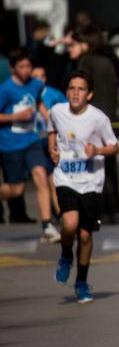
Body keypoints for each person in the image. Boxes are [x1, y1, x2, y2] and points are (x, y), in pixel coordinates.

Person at [48, 70, 119, 304]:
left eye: (80, 89)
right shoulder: (57, 111)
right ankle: (66, 255)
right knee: (69, 223)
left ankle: (81, 281)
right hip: (65, 178)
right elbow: (52, 130)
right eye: (71, 88)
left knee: (86, 235)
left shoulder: (98, 118)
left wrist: (97, 151)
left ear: (89, 94)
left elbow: (114, 146)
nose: (75, 93)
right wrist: (52, 148)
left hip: (91, 181)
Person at [0, 48, 60, 242]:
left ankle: (47, 226)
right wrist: (15, 116)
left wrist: (50, 120)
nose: (26, 70)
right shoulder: (6, 89)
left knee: (41, 177)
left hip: (32, 140)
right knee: (17, 189)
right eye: (21, 67)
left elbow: (40, 104)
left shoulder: (35, 84)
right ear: (12, 68)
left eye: (28, 66)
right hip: (11, 144)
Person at [67, 27, 119, 224]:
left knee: (97, 166)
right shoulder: (107, 62)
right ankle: (114, 208)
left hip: (93, 121)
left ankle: (101, 209)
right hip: (110, 118)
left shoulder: (85, 63)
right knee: (110, 166)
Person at [31, 66, 65, 227]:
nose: (39, 79)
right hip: (33, 141)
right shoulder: (26, 93)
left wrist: (46, 113)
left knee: (53, 180)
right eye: (35, 76)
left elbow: (66, 116)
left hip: (51, 141)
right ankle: (47, 220)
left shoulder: (54, 94)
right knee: (41, 179)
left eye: (42, 76)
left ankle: (61, 215)